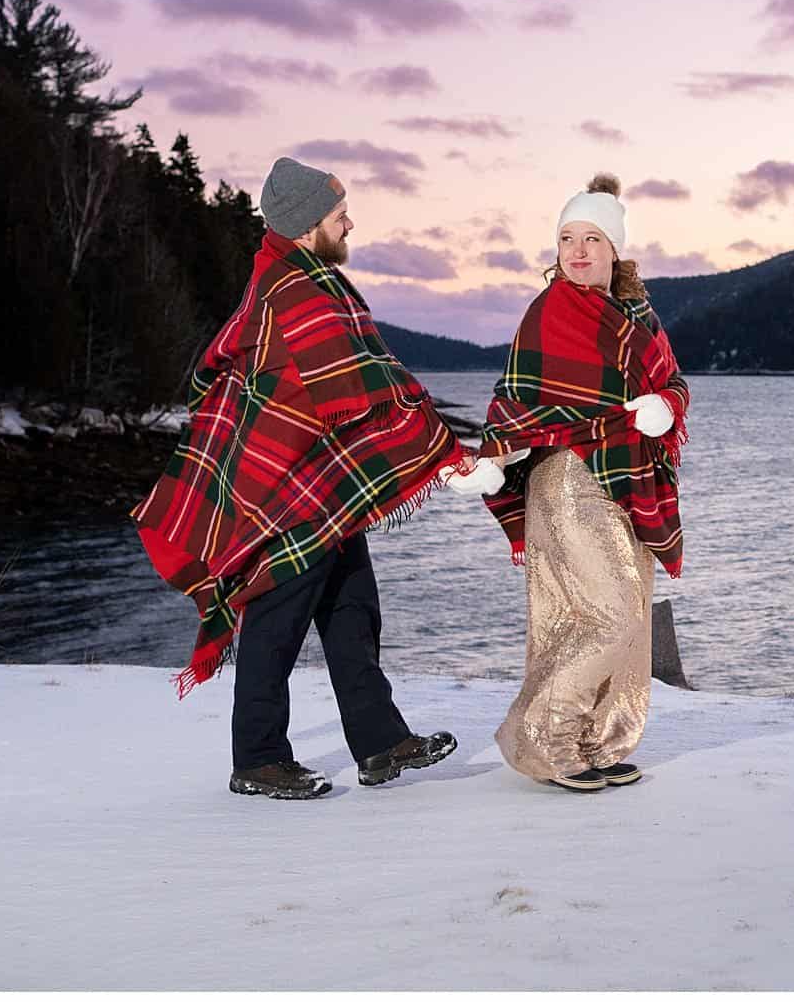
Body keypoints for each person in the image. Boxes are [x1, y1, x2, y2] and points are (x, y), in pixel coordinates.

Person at [132, 156, 467, 801]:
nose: (352, 224)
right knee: (277, 623)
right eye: (341, 216)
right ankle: (257, 759)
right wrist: (442, 446)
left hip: (317, 482)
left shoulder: (299, 276)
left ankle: (379, 743)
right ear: (310, 223)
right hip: (290, 490)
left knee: (352, 609)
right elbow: (361, 382)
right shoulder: (295, 288)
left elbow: (346, 378)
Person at [451, 173, 689, 792]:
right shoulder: (550, 311)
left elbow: (674, 382)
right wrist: (494, 458)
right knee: (606, 617)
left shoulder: (636, 313)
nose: (578, 251)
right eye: (566, 239)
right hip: (567, 479)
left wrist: (665, 403)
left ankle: (600, 743)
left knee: (627, 615)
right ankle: (542, 737)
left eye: (592, 239)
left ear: (615, 249)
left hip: (628, 481)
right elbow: (517, 400)